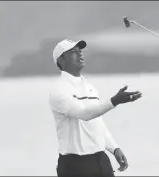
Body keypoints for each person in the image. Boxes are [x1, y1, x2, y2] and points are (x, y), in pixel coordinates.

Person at [48, 39, 142, 176]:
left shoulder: (90, 87)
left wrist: (114, 148)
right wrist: (114, 101)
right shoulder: (58, 91)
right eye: (74, 52)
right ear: (61, 60)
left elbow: (96, 122)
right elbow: (85, 114)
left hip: (100, 159)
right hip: (74, 164)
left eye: (80, 51)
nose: (80, 54)